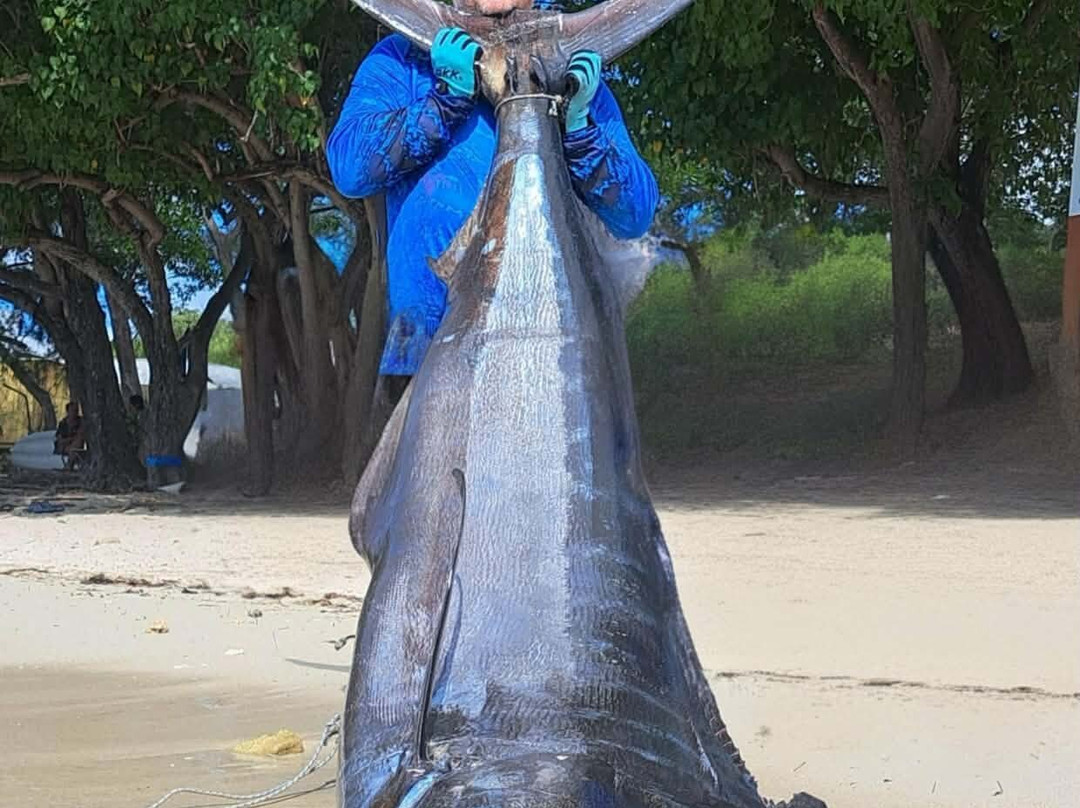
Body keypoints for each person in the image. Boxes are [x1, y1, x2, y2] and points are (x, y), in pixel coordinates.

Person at [327, 0, 659, 400]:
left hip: (550, 364)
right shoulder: (403, 59)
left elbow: (635, 212)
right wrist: (442, 103)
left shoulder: (569, 68)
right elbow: (350, 168)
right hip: (426, 357)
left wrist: (581, 129)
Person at [53, 402, 86, 470]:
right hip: (64, 446)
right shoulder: (63, 424)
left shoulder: (81, 422)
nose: (75, 412)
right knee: (74, 446)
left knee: (78, 442)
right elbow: (60, 440)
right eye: (73, 410)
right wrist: (72, 439)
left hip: (77, 445)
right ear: (68, 411)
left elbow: (81, 435)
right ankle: (69, 464)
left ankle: (69, 465)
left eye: (76, 410)